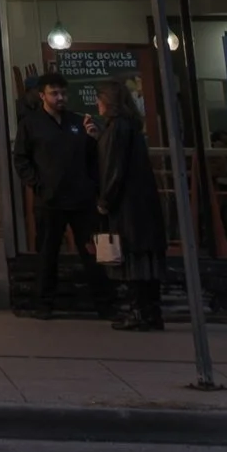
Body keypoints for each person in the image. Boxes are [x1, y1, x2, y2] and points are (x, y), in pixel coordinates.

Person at [14, 72, 111, 319]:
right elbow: (21, 158)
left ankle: (104, 303)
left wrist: (93, 184)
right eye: (54, 93)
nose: (60, 98)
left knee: (91, 252)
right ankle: (44, 304)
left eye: (63, 93)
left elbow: (93, 159)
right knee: (48, 253)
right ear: (42, 95)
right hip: (50, 198)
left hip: (81, 198)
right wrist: (36, 184)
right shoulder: (31, 124)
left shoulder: (78, 122)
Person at [93, 80, 162, 331]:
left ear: (108, 102)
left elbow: (114, 167)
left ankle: (138, 312)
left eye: (99, 99)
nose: (96, 104)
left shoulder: (117, 128)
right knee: (143, 257)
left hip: (127, 204)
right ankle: (150, 311)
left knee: (131, 257)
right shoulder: (129, 126)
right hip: (141, 201)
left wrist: (104, 201)